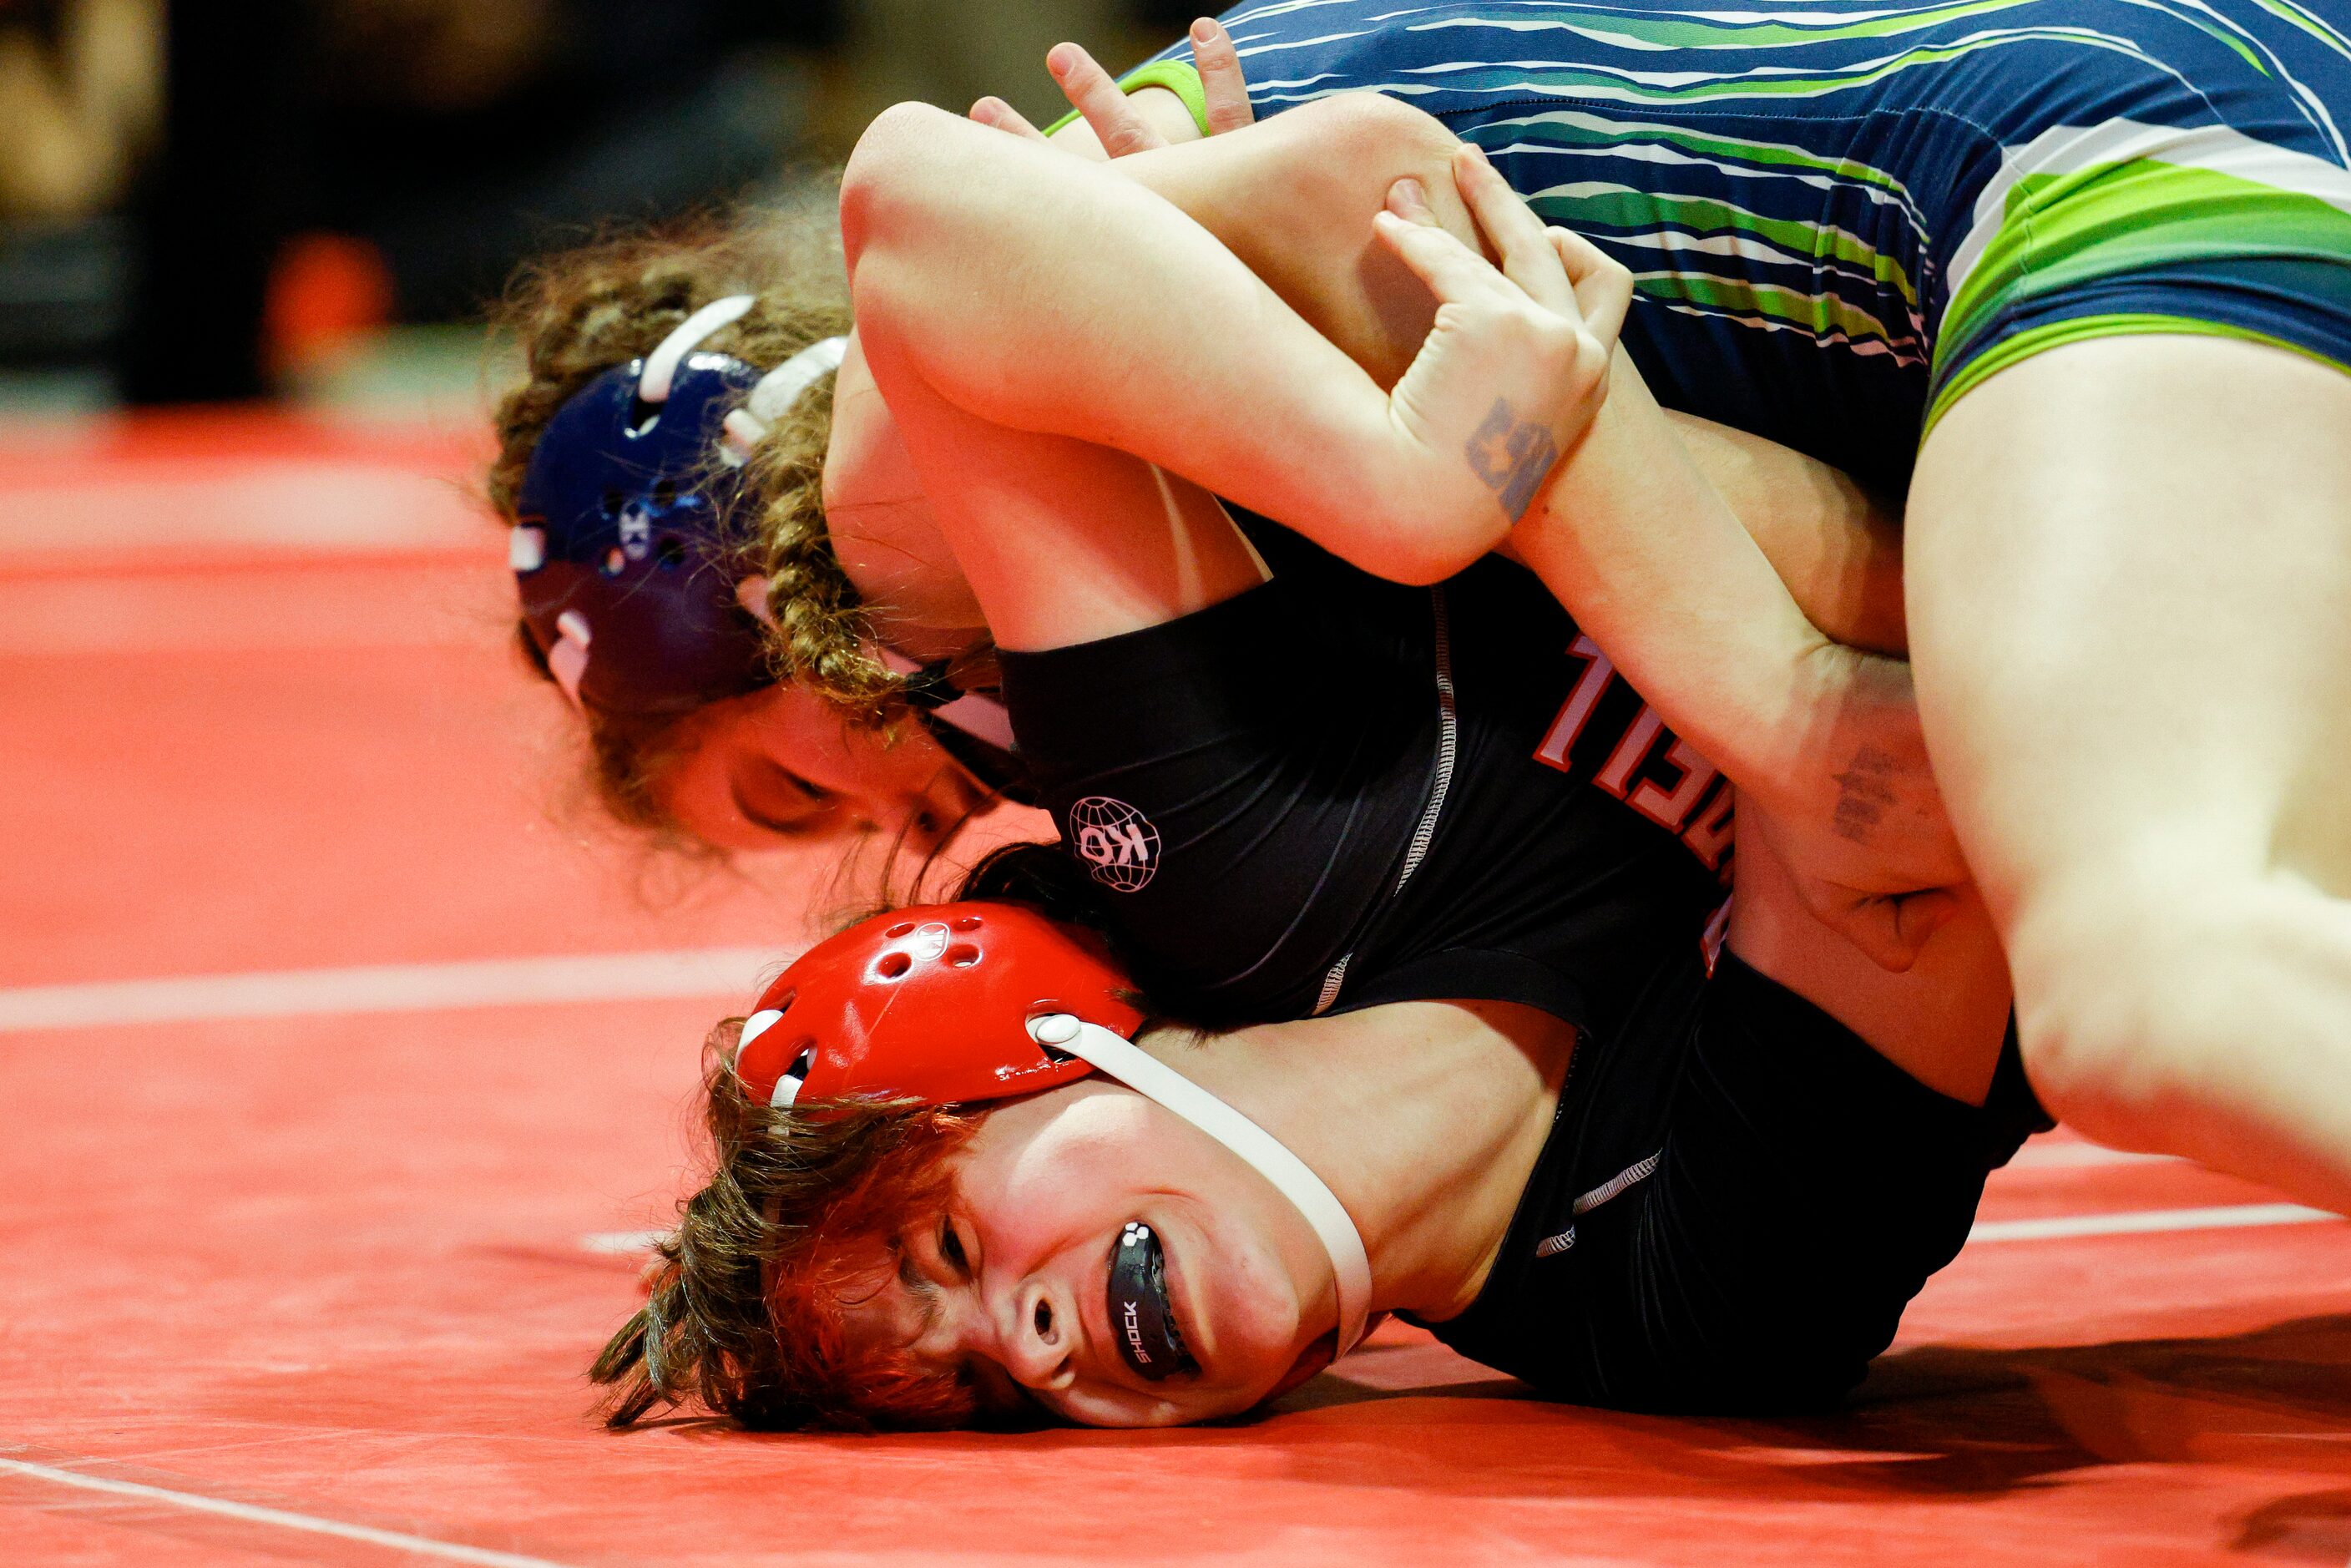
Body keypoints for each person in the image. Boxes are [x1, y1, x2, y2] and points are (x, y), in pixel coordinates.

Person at [586, 107, 2042, 1432]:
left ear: (1042, 1048)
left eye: (954, 1252)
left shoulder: (1213, 855)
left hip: (1851, 182)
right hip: (2076, 435)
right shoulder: (1695, 1307)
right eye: (979, 1393)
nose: (1029, 1348)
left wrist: (1414, 493)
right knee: (2137, 972)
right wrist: (1560, 484)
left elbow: (926, 211)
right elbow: (2013, 717)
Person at [1034, 0, 2351, 1216]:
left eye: (829, 796)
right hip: (2181, 172)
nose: (940, 817)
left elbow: (937, 201)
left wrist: (1781, 707)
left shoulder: (1037, 329)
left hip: (2128, 159)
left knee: (2143, 996)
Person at [487, 20, 1908, 862]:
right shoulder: (1027, 515)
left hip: (1836, 198)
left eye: (795, 791)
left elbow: (1367, 165)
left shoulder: (925, 393)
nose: (912, 833)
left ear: (746, 574)